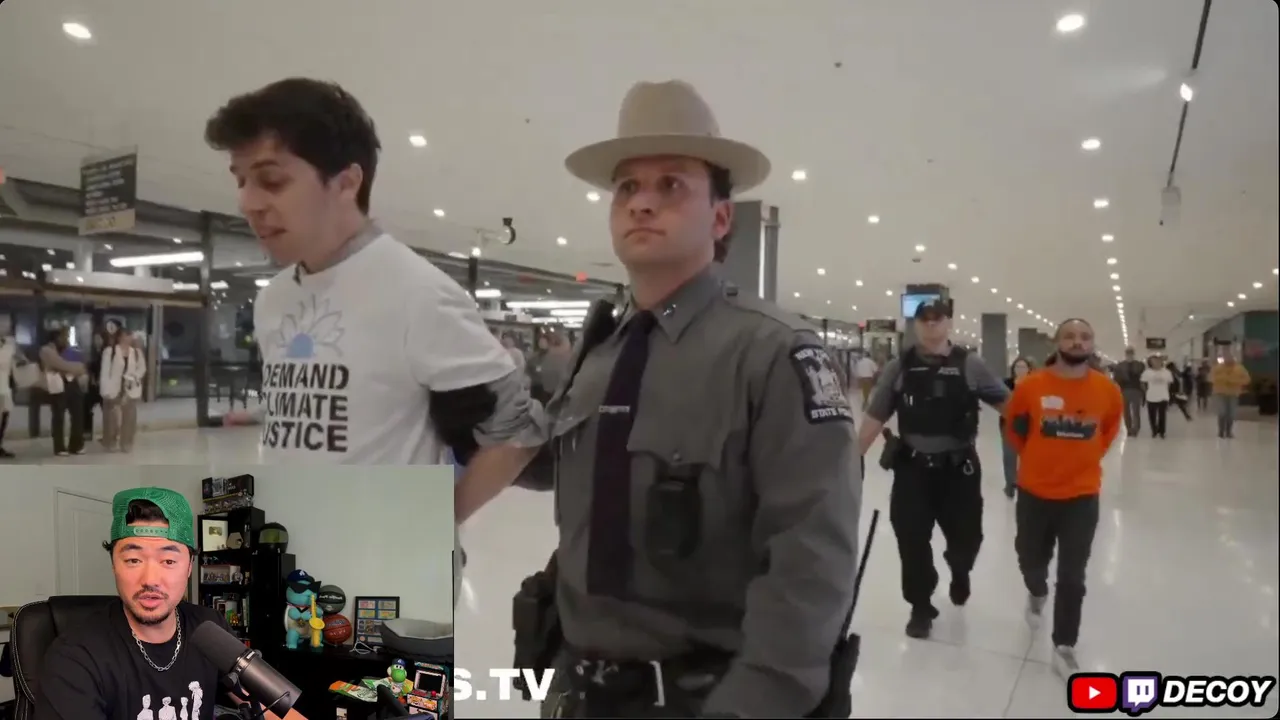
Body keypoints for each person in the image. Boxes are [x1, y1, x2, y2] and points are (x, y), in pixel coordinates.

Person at [465, 80, 861, 718]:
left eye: (671, 184)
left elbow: (809, 566)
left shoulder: (774, 355)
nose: (642, 202)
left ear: (721, 218)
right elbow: (558, 464)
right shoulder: (602, 350)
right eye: (627, 187)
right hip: (576, 688)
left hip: (699, 700)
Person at [204, 77, 542, 473]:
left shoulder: (418, 292)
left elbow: (518, 433)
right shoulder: (272, 299)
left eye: (272, 180)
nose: (247, 202)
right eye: (240, 180)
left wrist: (439, 508)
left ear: (347, 183)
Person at [33, 487, 309, 720]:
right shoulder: (73, 658)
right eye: (133, 560)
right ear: (114, 565)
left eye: (168, 560)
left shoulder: (210, 627)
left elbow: (271, 706)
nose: (150, 579)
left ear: (189, 567)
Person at [857, 299, 1009, 639]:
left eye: (936, 319)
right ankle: (920, 605)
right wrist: (854, 458)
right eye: (923, 319)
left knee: (967, 539)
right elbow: (876, 415)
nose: (930, 325)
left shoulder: (970, 364)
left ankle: (960, 570)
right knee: (911, 539)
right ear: (915, 325)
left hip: (959, 471)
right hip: (912, 470)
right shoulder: (900, 367)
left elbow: (1008, 405)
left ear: (948, 323)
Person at [1004, 318, 1122, 681]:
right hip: (1034, 492)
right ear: (1057, 343)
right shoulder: (1031, 386)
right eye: (1069, 336)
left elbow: (1108, 431)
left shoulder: (1106, 390)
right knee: (1030, 559)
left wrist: (1082, 460)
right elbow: (1013, 428)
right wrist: (1037, 460)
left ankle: (1064, 645)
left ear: (1092, 344)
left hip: (1081, 496)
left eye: (1084, 337)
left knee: (1073, 575)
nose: (1077, 342)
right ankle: (1036, 591)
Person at [38, 327, 88, 456]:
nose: (66, 339)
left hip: (73, 384)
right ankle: (59, 447)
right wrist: (76, 367)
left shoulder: (70, 350)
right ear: (56, 338)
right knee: (59, 416)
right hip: (58, 385)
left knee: (78, 415)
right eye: (63, 337)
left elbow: (82, 365)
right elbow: (61, 364)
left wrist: (77, 368)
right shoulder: (46, 350)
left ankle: (76, 445)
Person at [100, 328, 146, 453]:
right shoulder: (110, 351)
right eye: (126, 335)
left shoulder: (136, 352)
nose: (129, 338)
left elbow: (142, 368)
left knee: (130, 417)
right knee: (111, 417)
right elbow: (105, 372)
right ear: (120, 337)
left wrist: (134, 377)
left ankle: (127, 442)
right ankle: (110, 441)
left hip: (130, 388)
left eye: (130, 335)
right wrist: (105, 390)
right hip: (113, 388)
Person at [1000, 356, 1034, 499]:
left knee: (1027, 455)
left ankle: (1026, 483)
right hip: (1008, 423)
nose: (1020, 370)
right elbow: (1002, 401)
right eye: (1017, 367)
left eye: (1023, 367)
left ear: (1029, 369)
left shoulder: (1034, 383)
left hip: (1029, 424)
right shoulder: (1006, 384)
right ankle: (1010, 483)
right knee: (1009, 455)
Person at [0, 316, 31, 459]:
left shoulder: (10, 343)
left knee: (4, 416)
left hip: (6, 385)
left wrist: (20, 363)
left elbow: (22, 359)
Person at [1209, 351, 1251, 439]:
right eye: (1227, 358)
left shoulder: (1240, 368)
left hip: (1233, 394)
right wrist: (1222, 379)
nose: (1228, 360)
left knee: (1231, 413)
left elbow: (1247, 379)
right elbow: (1211, 378)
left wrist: (1234, 381)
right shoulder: (1218, 368)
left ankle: (1228, 431)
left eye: (1230, 358)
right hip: (1220, 393)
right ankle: (1221, 431)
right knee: (1222, 412)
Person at [1111, 347, 1146, 436]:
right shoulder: (1120, 366)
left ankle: (1135, 429)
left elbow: (1143, 378)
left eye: (1131, 353)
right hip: (1124, 390)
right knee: (1126, 411)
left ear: (1133, 354)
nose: (1129, 355)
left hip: (1135, 390)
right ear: (1126, 354)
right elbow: (1116, 379)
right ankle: (1128, 428)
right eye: (1128, 353)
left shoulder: (1140, 365)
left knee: (1135, 411)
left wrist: (1143, 391)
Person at [1140, 355, 1174, 438]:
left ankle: (1162, 431)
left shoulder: (1167, 372)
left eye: (1158, 361)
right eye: (1154, 361)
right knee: (1152, 415)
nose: (1156, 363)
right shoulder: (1147, 372)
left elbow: (1169, 383)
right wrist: (1146, 391)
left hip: (1163, 396)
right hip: (1151, 396)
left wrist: (1166, 391)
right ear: (1151, 363)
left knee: (1162, 415)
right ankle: (1154, 430)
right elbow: (1142, 382)